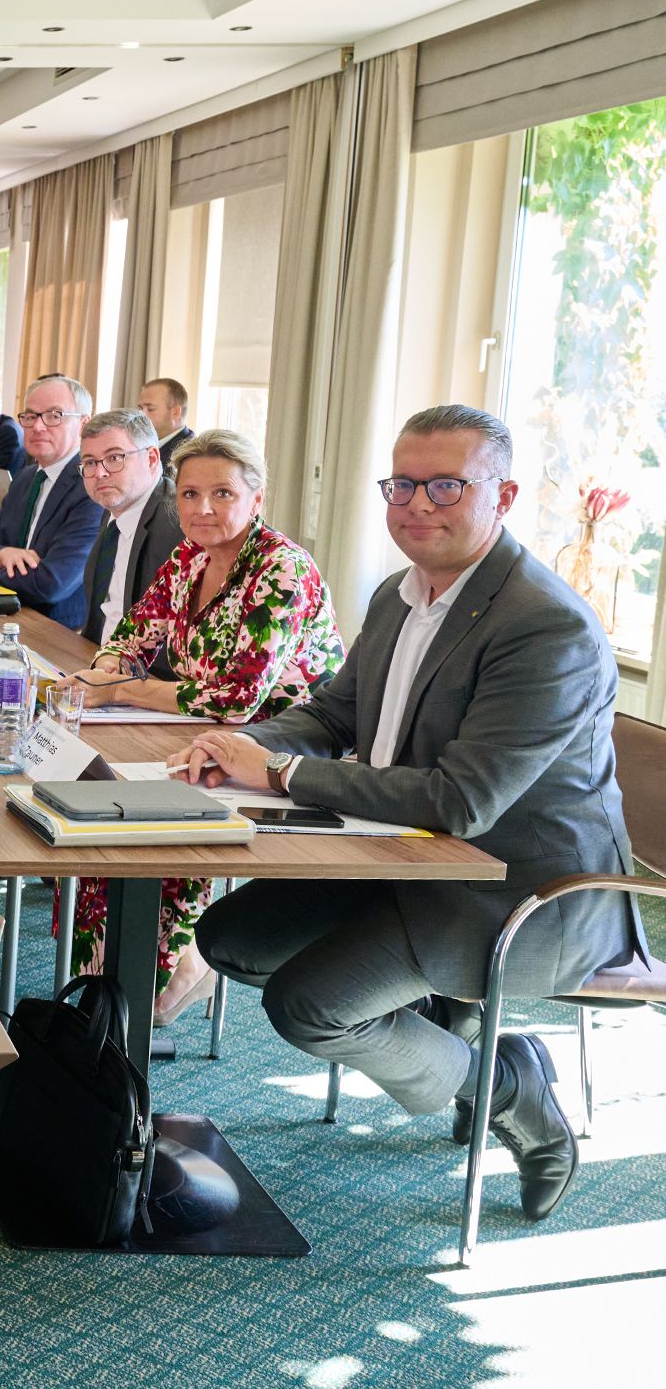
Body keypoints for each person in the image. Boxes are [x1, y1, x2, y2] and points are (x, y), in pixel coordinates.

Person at [188, 404, 640, 1224]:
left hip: (517, 890)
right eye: (402, 484)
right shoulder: (399, 596)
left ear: (502, 496)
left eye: (444, 485)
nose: (416, 505)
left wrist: (283, 772)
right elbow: (333, 715)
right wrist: (235, 742)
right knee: (230, 939)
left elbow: (461, 801)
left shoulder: (544, 626)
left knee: (309, 1005)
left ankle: (510, 1088)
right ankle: (453, 1032)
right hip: (402, 855)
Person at [59, 428, 343, 1019]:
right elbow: (132, 637)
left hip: (280, 752)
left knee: (157, 819)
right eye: (189, 495)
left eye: (221, 494)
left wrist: (122, 688)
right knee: (98, 812)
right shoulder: (188, 557)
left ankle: (164, 971)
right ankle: (100, 989)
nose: (202, 508)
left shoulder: (281, 571)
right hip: (195, 734)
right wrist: (101, 673)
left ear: (256, 498)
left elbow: (237, 699)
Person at [0, 374, 104, 628]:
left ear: (83, 424)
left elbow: (51, 583)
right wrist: (2, 554)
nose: (38, 426)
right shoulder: (25, 478)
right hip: (4, 613)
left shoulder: (90, 487)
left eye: (54, 415)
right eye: (31, 416)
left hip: (56, 629)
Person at [72, 410, 180, 645]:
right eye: (90, 462)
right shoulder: (114, 510)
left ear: (151, 458)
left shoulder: (177, 524)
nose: (99, 473)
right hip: (95, 660)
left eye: (114, 458)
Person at [139, 377, 194, 468]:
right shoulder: (138, 444)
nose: (141, 415)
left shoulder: (189, 456)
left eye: (150, 409)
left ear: (175, 412)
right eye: (141, 408)